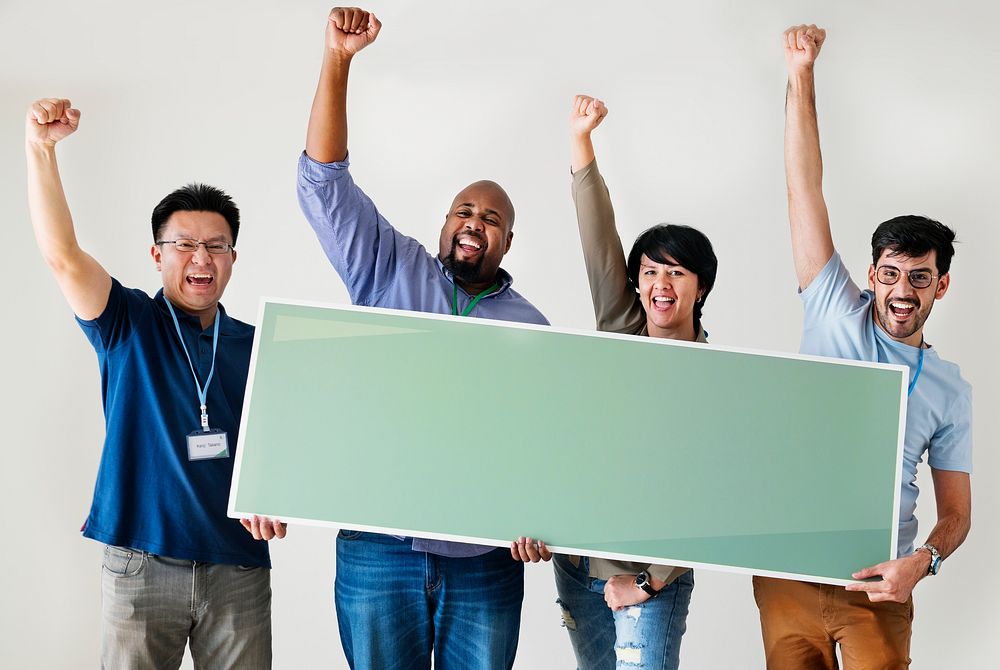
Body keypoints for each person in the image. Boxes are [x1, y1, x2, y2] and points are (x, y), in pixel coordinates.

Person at [295, 8, 548, 669]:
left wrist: (543, 517)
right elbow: (324, 183)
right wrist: (338, 60)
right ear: (444, 224)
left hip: (485, 562)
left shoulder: (533, 330)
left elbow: (550, 443)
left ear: (508, 241)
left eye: (491, 219)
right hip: (379, 548)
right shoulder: (388, 267)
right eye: (464, 211)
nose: (474, 223)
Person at [26, 98, 286, 668]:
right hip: (141, 562)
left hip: (238, 565)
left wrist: (280, 495)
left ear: (233, 258)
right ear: (156, 255)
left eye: (216, 245)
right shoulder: (127, 322)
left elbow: (288, 442)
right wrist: (41, 150)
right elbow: (63, 258)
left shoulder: (260, 342)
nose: (201, 257)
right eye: (184, 244)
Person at [752, 25, 973, 670]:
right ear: (872, 274)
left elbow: (956, 513)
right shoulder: (832, 309)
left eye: (919, 278)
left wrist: (920, 564)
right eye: (890, 274)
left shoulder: (949, 388)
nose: (902, 292)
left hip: (878, 586)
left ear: (941, 285)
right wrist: (800, 72)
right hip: (787, 576)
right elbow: (803, 187)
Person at [549, 94, 716, 670]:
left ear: (701, 286)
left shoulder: (716, 378)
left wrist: (650, 580)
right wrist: (581, 141)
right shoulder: (619, 331)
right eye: (649, 271)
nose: (660, 283)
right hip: (577, 569)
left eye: (676, 271)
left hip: (646, 581)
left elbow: (714, 489)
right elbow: (599, 244)